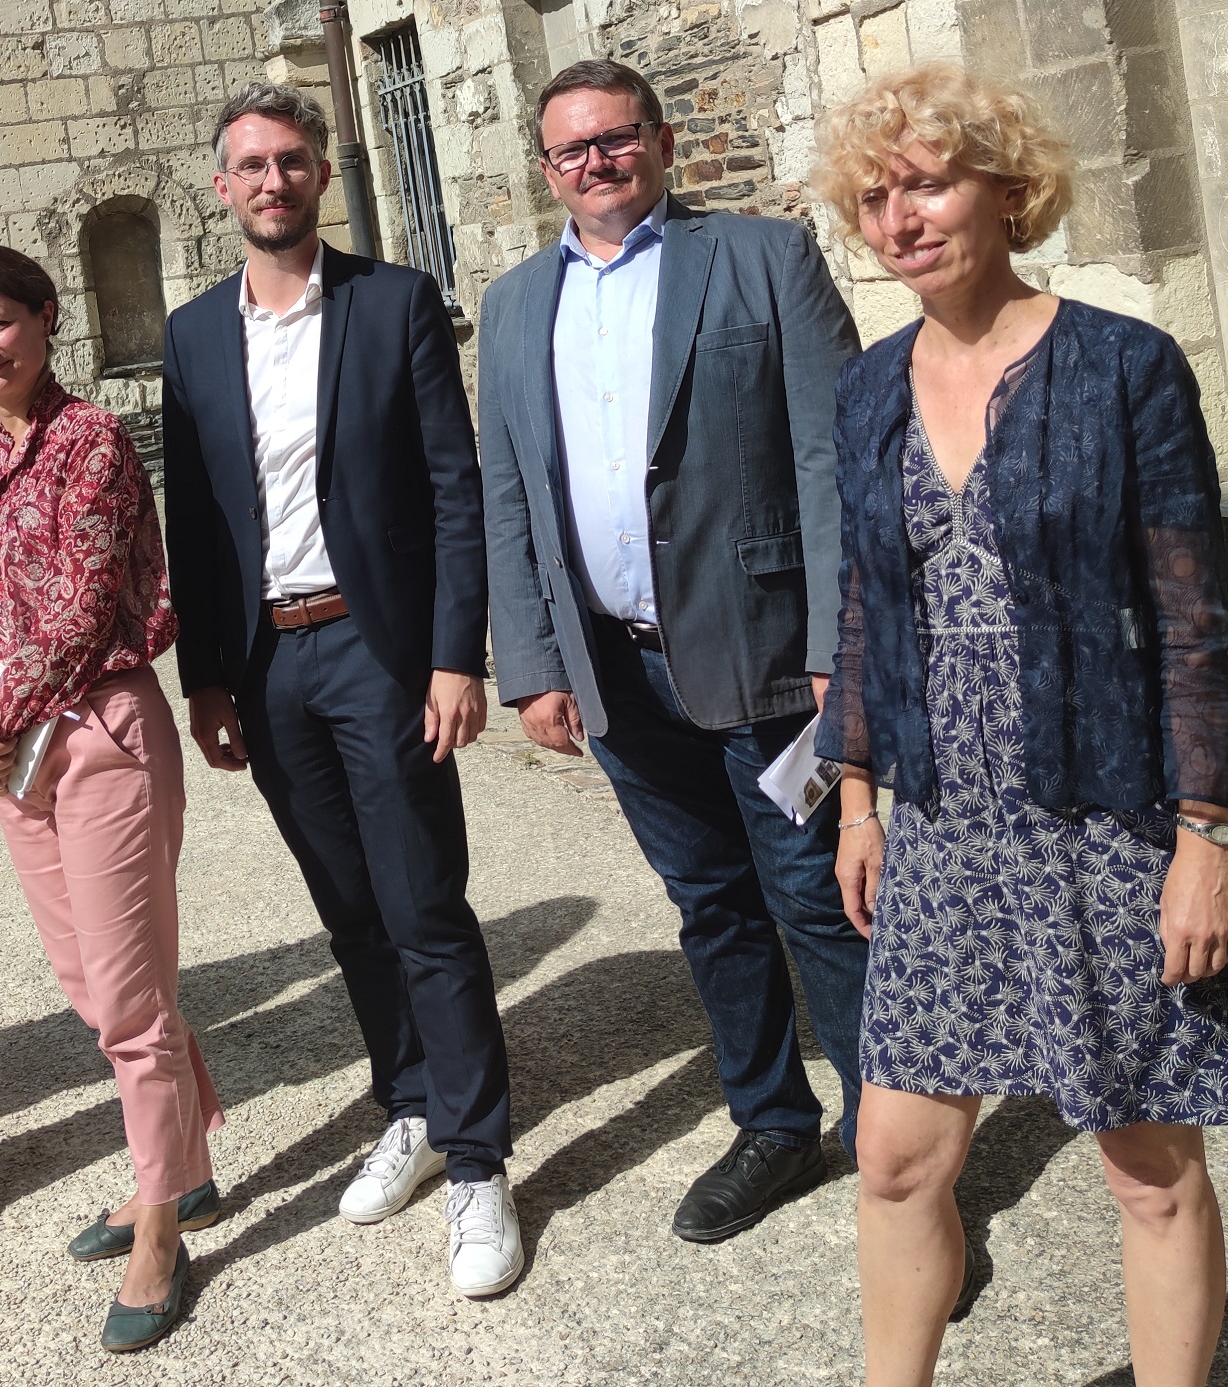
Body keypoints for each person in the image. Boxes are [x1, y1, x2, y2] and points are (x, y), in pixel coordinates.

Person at [815, 64, 1228, 1386]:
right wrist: (857, 799)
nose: (901, 218)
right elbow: (867, 606)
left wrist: (1207, 837)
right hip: (942, 826)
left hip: (1104, 817)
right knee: (894, 1156)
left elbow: (1198, 622)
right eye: (875, 197)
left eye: (928, 185)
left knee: (1147, 1165)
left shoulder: (1122, 366)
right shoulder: (867, 388)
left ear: (1006, 190)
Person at [476, 58, 869, 1243]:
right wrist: (532, 664)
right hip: (616, 668)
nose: (596, 162)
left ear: (658, 139)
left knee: (816, 896)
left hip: (767, 655)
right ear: (547, 169)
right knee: (709, 904)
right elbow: (508, 491)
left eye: (615, 138)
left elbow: (834, 458)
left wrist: (837, 639)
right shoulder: (512, 305)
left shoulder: (762, 256)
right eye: (572, 149)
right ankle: (773, 1123)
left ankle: (896, 1145)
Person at [160, 82, 521, 1298]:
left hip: (377, 649)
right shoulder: (193, 335)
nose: (273, 181)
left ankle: (479, 1159)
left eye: (292, 160)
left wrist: (455, 655)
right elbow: (195, 518)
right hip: (268, 665)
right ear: (223, 187)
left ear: (320, 173)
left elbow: (454, 486)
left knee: (424, 902)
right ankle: (411, 1104)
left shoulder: (393, 301)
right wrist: (205, 676)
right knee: (350, 911)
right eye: (252, 165)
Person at [0, 243, 224, 1352]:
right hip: (12, 753)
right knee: (92, 989)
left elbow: (85, 602)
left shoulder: (92, 440)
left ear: (46, 317)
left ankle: (161, 1226)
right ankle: (180, 1168)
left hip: (97, 734)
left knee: (132, 1001)